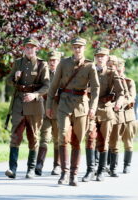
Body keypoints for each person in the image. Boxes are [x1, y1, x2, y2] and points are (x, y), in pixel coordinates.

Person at [46, 37, 100, 186]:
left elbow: (96, 89)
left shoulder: (90, 66)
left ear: (84, 48)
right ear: (72, 48)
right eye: (75, 47)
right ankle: (64, 172)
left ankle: (73, 175)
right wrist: (49, 106)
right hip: (64, 104)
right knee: (62, 135)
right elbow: (53, 86)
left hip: (81, 106)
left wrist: (93, 108)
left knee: (77, 140)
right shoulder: (63, 64)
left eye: (80, 47)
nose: (77, 49)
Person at [5, 37, 50, 179]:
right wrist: (14, 78)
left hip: (35, 104)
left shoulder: (42, 65)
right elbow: (8, 80)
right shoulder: (18, 63)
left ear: (36, 49)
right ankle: (12, 169)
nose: (29, 50)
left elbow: (47, 85)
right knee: (15, 135)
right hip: (19, 103)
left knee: (33, 136)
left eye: (32, 47)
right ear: (23, 48)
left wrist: (35, 95)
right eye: (27, 47)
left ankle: (31, 169)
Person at [82, 48, 124, 182]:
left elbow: (121, 92)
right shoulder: (89, 70)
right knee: (90, 138)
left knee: (104, 141)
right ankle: (90, 170)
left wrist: (118, 102)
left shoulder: (112, 73)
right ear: (95, 57)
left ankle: (100, 171)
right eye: (98, 56)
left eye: (103, 56)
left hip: (106, 110)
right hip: (91, 110)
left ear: (107, 58)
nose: (100, 58)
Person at [109, 57, 137, 176]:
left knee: (128, 141)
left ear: (123, 69)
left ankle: (127, 165)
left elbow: (131, 97)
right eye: (117, 70)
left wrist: (121, 102)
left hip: (128, 114)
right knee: (113, 141)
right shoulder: (112, 81)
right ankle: (111, 165)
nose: (118, 72)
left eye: (120, 70)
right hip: (115, 115)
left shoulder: (129, 82)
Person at [35, 51, 61, 176]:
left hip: (58, 111)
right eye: (50, 60)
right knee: (44, 138)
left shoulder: (63, 75)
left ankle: (57, 166)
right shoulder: (44, 74)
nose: (52, 62)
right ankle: (39, 164)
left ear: (58, 61)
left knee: (57, 139)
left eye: (54, 60)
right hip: (45, 110)